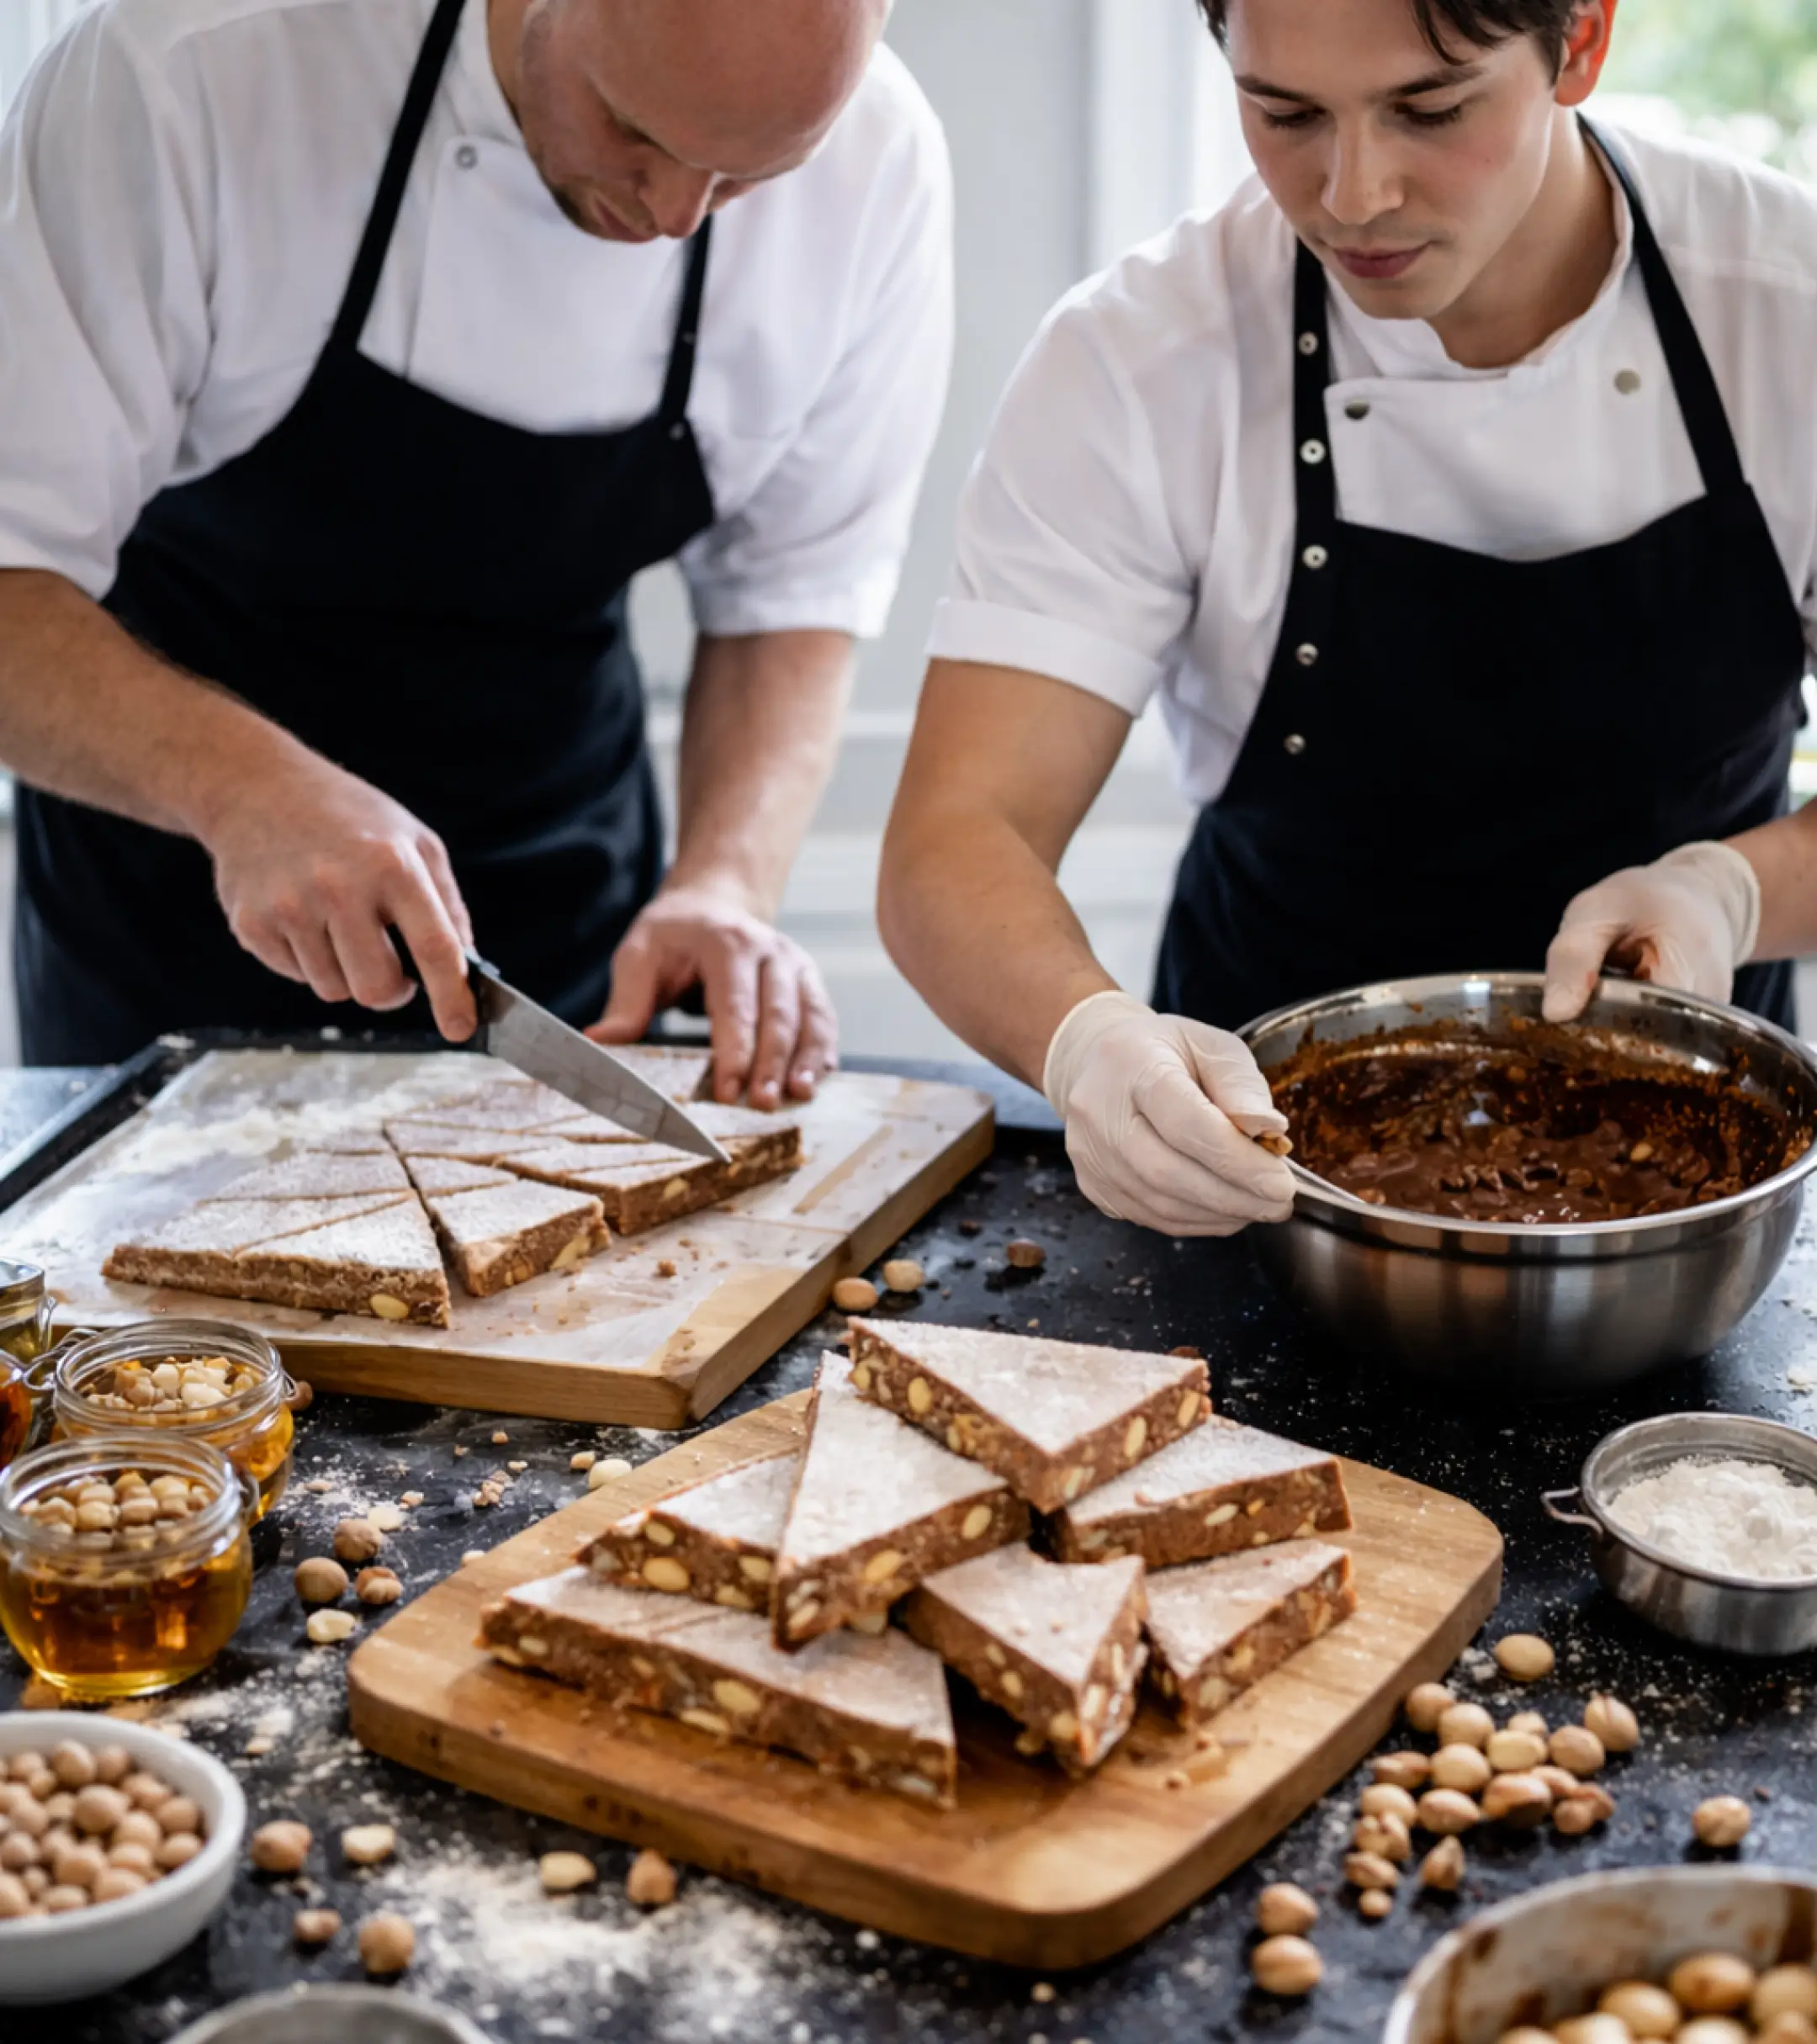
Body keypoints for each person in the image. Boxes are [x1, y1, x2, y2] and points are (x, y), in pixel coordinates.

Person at [880, 0, 1817, 1235]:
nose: (1352, 194)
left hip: (1693, 1200)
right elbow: (957, 834)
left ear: (1581, 43)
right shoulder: (1140, 360)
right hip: (1262, 1184)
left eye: (1430, 110)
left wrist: (1726, 892)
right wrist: (1086, 1039)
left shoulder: (1790, 307)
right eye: (1285, 112)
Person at [0, 0, 951, 1107]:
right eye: (633, 131)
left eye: (744, 179)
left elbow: (787, 602)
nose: (678, 214)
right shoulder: (189, 73)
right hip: (173, 916)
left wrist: (726, 883)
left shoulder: (878, 168)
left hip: (571, 936)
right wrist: (241, 791)